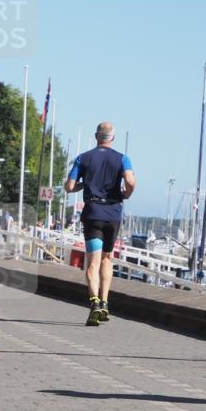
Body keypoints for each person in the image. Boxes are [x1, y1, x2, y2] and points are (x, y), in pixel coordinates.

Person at [64, 122, 136, 326]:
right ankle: (105, 303)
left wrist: (83, 185)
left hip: (93, 213)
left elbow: (69, 186)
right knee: (107, 259)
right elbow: (130, 181)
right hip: (112, 214)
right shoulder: (122, 158)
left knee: (92, 262)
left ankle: (94, 303)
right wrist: (126, 194)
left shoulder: (83, 158)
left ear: (97, 136)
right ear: (112, 137)